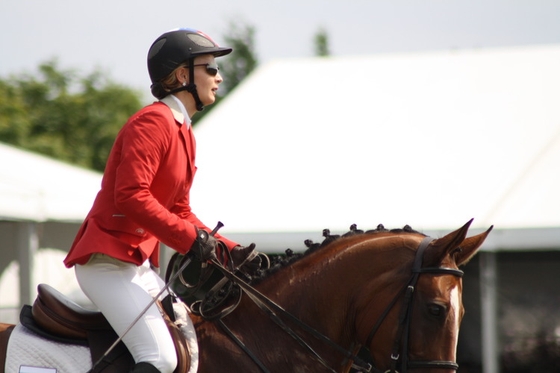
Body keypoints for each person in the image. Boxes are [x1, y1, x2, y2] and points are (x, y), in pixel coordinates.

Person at [64, 28, 258, 373]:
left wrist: (229, 250)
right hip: (106, 263)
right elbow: (130, 195)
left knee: (192, 347)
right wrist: (189, 240)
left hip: (136, 266)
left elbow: (179, 211)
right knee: (160, 358)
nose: (219, 76)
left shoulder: (183, 131)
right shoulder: (153, 122)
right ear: (183, 75)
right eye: (210, 68)